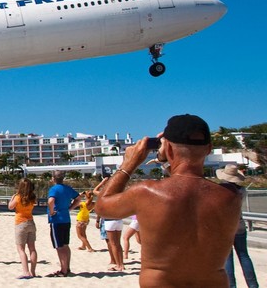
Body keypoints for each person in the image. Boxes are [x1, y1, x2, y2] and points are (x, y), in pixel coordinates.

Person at [95, 114, 242, 287]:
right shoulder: (232, 197)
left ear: (169, 149)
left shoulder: (147, 193)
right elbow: (188, 185)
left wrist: (130, 163)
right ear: (209, 148)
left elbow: (102, 207)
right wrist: (169, 153)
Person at [217, 163, 259, 288]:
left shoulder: (221, 191)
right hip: (239, 224)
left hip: (226, 226)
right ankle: (253, 285)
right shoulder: (241, 191)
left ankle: (232, 285)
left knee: (228, 258)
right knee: (244, 255)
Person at [46, 170, 81, 277]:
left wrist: (51, 212)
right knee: (65, 245)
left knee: (59, 246)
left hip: (57, 220)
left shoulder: (54, 189)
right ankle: (67, 267)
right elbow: (78, 198)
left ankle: (63, 270)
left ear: (53, 179)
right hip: (66, 219)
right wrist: (70, 208)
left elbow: (51, 201)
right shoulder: (67, 188)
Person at [8, 178, 38, 279]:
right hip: (31, 222)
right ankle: (33, 271)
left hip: (20, 223)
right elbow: (35, 203)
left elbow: (10, 207)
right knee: (32, 248)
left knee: (21, 249)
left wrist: (12, 198)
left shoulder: (18, 197)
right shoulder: (32, 197)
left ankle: (25, 271)